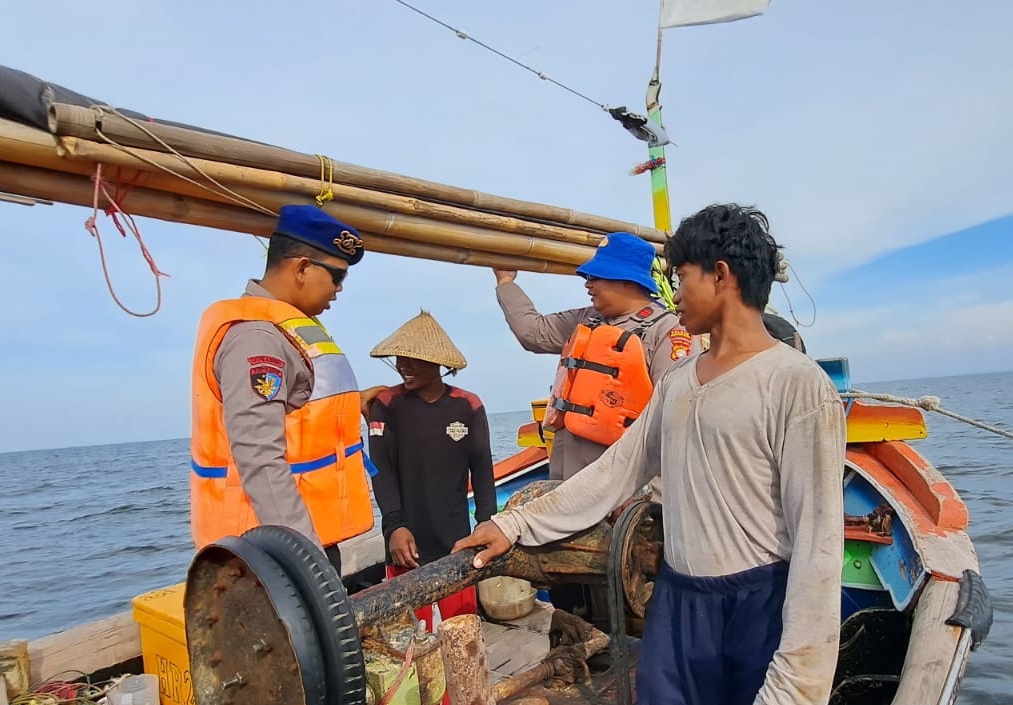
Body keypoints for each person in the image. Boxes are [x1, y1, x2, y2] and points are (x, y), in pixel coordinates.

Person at [455, 203, 847, 705]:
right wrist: (514, 523)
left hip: (757, 604)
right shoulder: (679, 381)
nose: (673, 294)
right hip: (678, 598)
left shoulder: (797, 384)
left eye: (681, 278)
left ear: (721, 275)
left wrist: (791, 694)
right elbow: (616, 470)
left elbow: (819, 542)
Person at [187, 204, 375, 575]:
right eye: (336, 276)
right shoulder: (256, 338)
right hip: (271, 554)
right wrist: (310, 566)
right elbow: (259, 456)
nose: (339, 289)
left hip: (294, 543)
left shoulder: (283, 330)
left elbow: (297, 413)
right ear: (302, 268)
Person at [495, 231, 692, 481]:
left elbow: (677, 419)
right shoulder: (587, 319)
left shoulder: (667, 330)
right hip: (568, 476)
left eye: (596, 277)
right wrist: (506, 282)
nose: (588, 284)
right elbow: (533, 333)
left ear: (628, 280)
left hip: (625, 484)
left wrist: (653, 494)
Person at [365, 310, 497, 627]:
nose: (403, 366)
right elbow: (380, 471)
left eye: (413, 360)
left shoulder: (468, 405)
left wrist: (486, 521)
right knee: (410, 635)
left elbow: (482, 468)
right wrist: (394, 527)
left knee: (463, 630)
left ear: (436, 362)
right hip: (405, 542)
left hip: (457, 542)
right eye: (400, 359)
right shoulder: (387, 404)